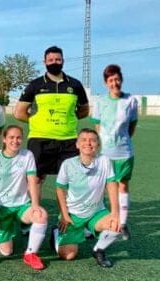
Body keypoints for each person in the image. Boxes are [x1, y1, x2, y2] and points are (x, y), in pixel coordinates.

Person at [14, 46, 89, 195]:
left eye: (58, 59)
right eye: (51, 60)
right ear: (44, 62)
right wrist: (37, 121)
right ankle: (34, 215)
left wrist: (67, 118)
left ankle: (66, 217)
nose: (54, 62)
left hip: (68, 140)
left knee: (70, 181)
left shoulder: (75, 85)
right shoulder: (35, 85)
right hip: (40, 140)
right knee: (35, 179)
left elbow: (84, 110)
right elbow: (19, 113)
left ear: (63, 61)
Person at [0, 125, 48, 270]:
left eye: (18, 137)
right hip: (1, 207)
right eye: (11, 137)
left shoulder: (27, 155)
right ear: (4, 139)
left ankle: (30, 254)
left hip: (21, 205)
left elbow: (32, 180)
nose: (15, 141)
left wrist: (35, 204)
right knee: (7, 252)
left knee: (41, 216)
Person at [54, 128, 121, 267]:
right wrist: (65, 215)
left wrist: (115, 212)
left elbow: (111, 185)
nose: (88, 143)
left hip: (96, 212)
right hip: (73, 215)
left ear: (98, 144)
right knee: (68, 255)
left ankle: (98, 250)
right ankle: (56, 233)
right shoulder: (68, 164)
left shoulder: (104, 161)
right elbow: (60, 189)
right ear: (77, 144)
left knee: (115, 224)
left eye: (92, 140)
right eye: (83, 140)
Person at [91, 64, 138, 239]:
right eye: (111, 80)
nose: (114, 83)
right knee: (101, 187)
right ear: (105, 83)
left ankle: (123, 222)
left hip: (125, 153)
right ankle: (98, 221)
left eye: (117, 79)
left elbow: (132, 126)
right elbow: (97, 128)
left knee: (123, 185)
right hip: (105, 154)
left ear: (121, 80)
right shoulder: (100, 102)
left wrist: (123, 140)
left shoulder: (131, 101)